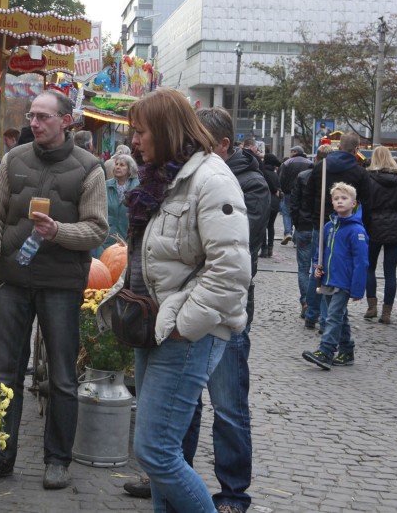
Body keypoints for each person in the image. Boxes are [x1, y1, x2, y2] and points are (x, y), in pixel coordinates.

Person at [119, 90, 250, 511]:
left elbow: (231, 271)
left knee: (155, 451)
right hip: (153, 326)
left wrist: (182, 324)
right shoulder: (161, 177)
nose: (134, 141)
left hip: (185, 332)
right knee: (162, 455)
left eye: (140, 131)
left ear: (165, 130)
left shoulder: (210, 179)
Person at [0, 90, 107, 491]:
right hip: (14, 281)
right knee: (4, 373)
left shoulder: (89, 168)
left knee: (63, 377)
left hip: (61, 286)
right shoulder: (13, 159)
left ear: (66, 121)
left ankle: (57, 460)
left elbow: (97, 229)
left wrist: (59, 231)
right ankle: (0, 455)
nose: (34, 122)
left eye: (44, 116)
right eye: (32, 115)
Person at [149, 105, 265, 513]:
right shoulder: (178, 176)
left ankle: (232, 493)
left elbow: (231, 260)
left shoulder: (234, 181)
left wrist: (185, 322)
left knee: (226, 407)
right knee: (181, 416)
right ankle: (174, 477)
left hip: (212, 316)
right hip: (179, 312)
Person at [302, 182, 369, 369]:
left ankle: (326, 351)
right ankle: (346, 350)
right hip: (329, 278)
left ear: (353, 203)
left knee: (332, 316)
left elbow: (361, 262)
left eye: (344, 198)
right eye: (336, 198)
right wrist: (317, 266)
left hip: (343, 281)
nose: (340, 201)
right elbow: (321, 251)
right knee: (340, 316)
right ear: (332, 203)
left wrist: (357, 289)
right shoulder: (328, 227)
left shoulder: (356, 230)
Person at [361, 146, 397, 325]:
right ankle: (387, 312)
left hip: (373, 226)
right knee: (390, 271)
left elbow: (364, 205)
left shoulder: (368, 178)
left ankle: (371, 307)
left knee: (370, 267)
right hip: (396, 226)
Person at [292, 145, 334, 330]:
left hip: (304, 225)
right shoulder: (331, 178)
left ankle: (306, 303)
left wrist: (297, 223)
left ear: (316, 158)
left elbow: (295, 203)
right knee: (318, 269)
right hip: (319, 226)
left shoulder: (304, 176)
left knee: (305, 269)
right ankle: (316, 311)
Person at [300, 131, 371, 238]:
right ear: (356, 149)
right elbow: (366, 203)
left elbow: (308, 195)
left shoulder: (321, 166)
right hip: (349, 224)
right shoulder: (360, 173)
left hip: (321, 221)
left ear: (339, 147)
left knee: (320, 249)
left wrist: (313, 217)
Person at [101, 153, 138, 252]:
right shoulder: (106, 185)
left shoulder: (137, 188)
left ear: (130, 169)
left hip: (129, 238)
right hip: (108, 238)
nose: (117, 167)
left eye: (122, 165)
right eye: (116, 164)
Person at [278, 146, 312, 244]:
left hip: (289, 192)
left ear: (295, 152)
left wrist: (281, 189)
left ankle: (288, 232)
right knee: (301, 213)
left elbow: (281, 177)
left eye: (292, 151)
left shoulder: (287, 163)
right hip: (304, 192)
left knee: (287, 213)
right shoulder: (309, 163)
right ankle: (297, 237)